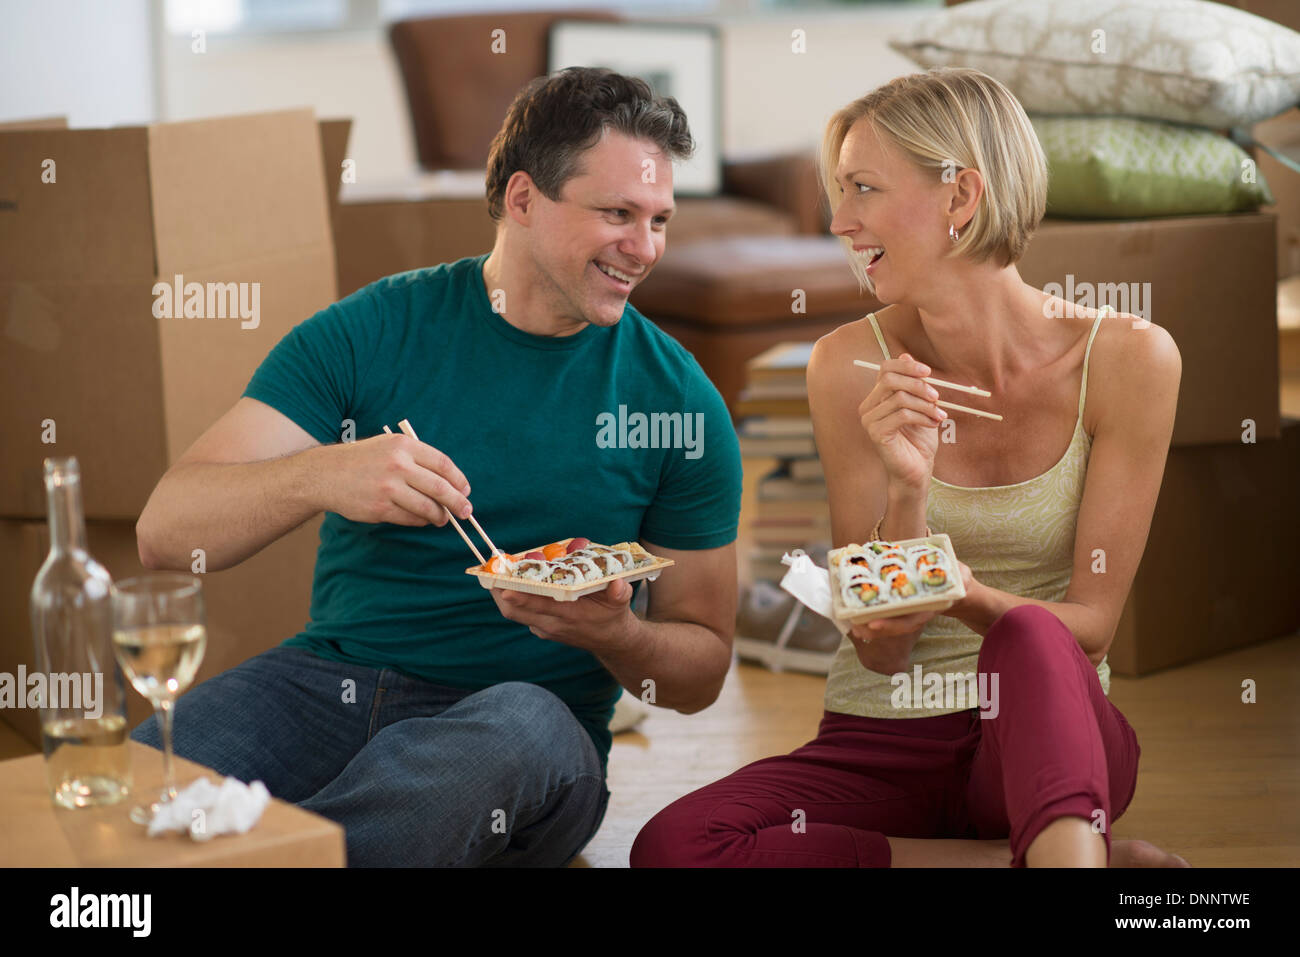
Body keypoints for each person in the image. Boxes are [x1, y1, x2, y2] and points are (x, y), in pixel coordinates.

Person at [131, 67, 742, 867]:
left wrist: (619, 633)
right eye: (617, 214)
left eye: (660, 219)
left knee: (489, 746)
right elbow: (165, 532)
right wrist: (323, 474)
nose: (646, 248)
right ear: (523, 199)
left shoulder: (681, 402)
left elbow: (697, 672)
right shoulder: (371, 329)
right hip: (328, 683)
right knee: (131, 785)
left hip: (529, 721)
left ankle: (265, 849)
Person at [631, 67, 1189, 868]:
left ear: (962, 198)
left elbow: (1093, 624)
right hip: (883, 738)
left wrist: (964, 593)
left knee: (1031, 629)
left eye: (862, 188)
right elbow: (880, 649)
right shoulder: (846, 364)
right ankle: (1042, 861)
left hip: (1044, 739)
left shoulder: (1131, 359)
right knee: (675, 847)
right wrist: (909, 485)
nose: (838, 220)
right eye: (838, 191)